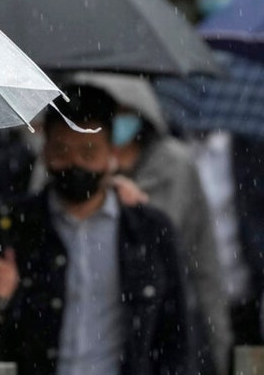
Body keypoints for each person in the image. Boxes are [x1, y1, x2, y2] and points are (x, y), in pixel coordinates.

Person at [0, 84, 193, 375]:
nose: (75, 164)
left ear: (112, 154)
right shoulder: (10, 226)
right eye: (62, 151)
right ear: (44, 151)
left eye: (89, 152)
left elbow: (176, 332)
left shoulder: (149, 230)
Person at [75, 72, 231, 375]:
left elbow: (204, 265)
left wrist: (218, 346)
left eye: (125, 114)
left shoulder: (175, 166)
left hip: (158, 329)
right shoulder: (66, 164)